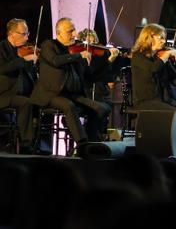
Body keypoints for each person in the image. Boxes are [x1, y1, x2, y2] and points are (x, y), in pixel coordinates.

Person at [31, 18, 117, 146]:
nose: (74, 34)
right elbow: (55, 61)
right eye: (70, 31)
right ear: (59, 33)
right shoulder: (49, 45)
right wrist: (79, 55)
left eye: (74, 30)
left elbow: (90, 77)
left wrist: (109, 61)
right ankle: (82, 144)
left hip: (72, 95)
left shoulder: (75, 49)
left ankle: (93, 142)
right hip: (51, 94)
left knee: (101, 108)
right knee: (69, 106)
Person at [129, 23, 176, 130]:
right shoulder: (138, 56)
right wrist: (166, 55)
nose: (164, 41)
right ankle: (170, 136)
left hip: (164, 99)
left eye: (164, 38)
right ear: (149, 37)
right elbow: (153, 69)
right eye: (160, 38)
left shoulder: (161, 57)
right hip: (146, 101)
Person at [0, 19, 39, 151]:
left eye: (28, 34)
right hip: (4, 95)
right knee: (25, 103)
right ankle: (25, 144)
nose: (27, 37)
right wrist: (23, 60)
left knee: (41, 100)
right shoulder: (1, 48)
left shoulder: (22, 50)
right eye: (24, 34)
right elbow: (3, 68)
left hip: (20, 93)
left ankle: (39, 143)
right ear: (12, 34)